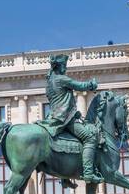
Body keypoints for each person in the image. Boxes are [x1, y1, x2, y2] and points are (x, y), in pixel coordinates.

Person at [39, 53, 103, 183]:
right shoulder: (61, 79)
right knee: (90, 137)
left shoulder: (50, 82)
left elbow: (61, 101)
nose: (65, 68)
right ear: (59, 66)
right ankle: (88, 173)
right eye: (64, 65)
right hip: (65, 120)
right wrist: (92, 84)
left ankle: (65, 176)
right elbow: (80, 86)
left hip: (55, 118)